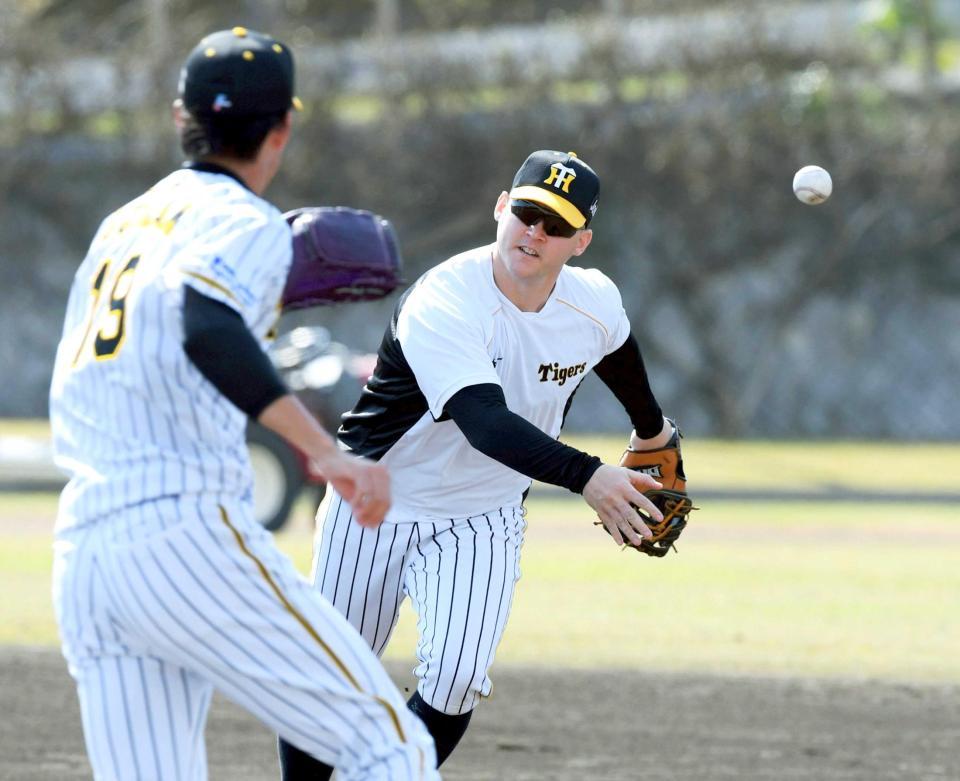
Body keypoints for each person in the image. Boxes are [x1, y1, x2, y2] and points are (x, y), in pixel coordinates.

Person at [49, 27, 437, 780]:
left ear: (179, 117)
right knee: (390, 746)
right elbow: (206, 323)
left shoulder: (119, 229)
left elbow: (175, 328)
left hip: (86, 549)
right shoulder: (247, 224)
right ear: (282, 129)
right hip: (180, 530)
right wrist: (323, 449)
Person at [278, 149, 675, 777]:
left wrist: (653, 430)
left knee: (457, 679)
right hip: (376, 500)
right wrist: (588, 476)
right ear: (501, 208)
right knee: (333, 680)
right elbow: (485, 423)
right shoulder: (447, 300)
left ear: (581, 243)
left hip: (481, 515)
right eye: (527, 213)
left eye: (557, 225)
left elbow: (618, 348)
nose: (536, 233)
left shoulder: (593, 300)